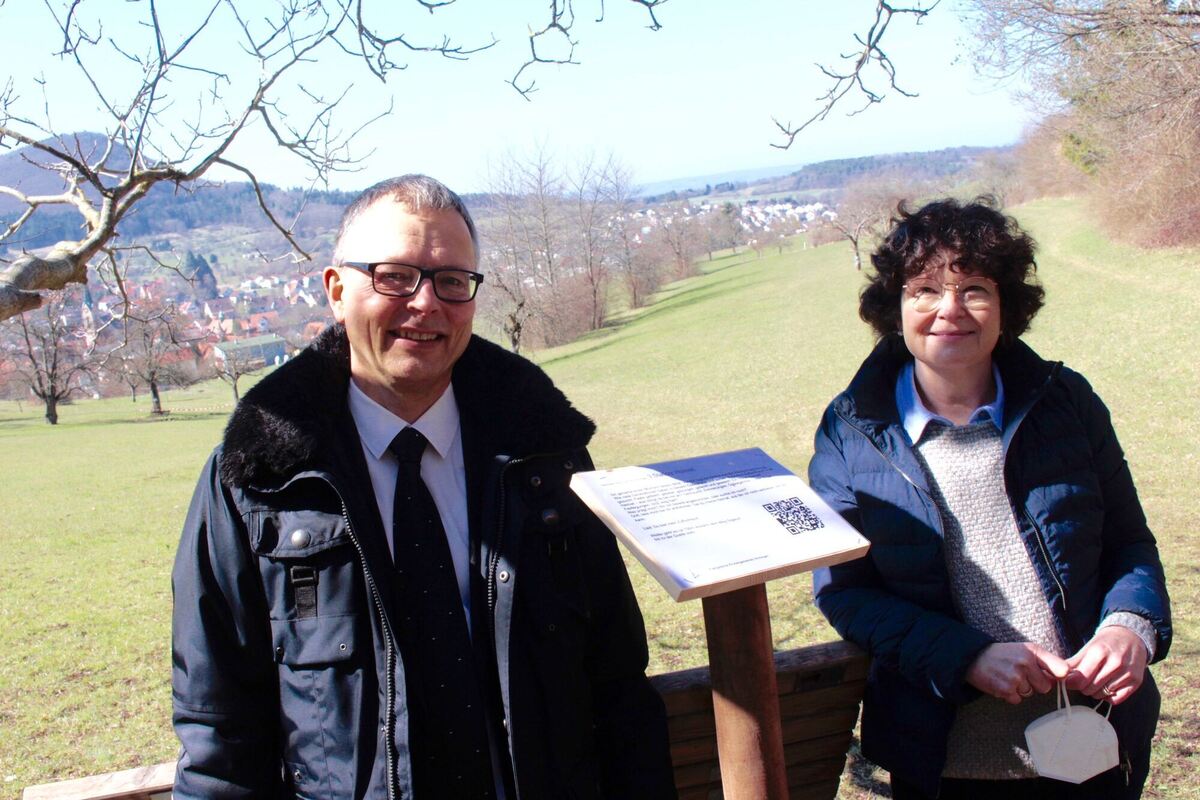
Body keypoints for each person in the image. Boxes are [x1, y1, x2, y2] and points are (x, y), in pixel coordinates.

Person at [171, 174, 677, 799]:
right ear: (337, 291)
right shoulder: (258, 482)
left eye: (452, 281)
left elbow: (618, 682)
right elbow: (220, 734)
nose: (426, 303)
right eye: (395, 276)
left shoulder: (547, 459)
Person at [808, 198, 1171, 799]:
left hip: (1098, 738)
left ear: (1007, 305)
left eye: (973, 288)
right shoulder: (851, 430)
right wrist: (967, 657)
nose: (949, 309)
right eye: (924, 290)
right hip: (945, 760)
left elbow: (1129, 542)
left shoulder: (1066, 401)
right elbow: (845, 593)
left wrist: (1131, 628)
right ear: (895, 307)